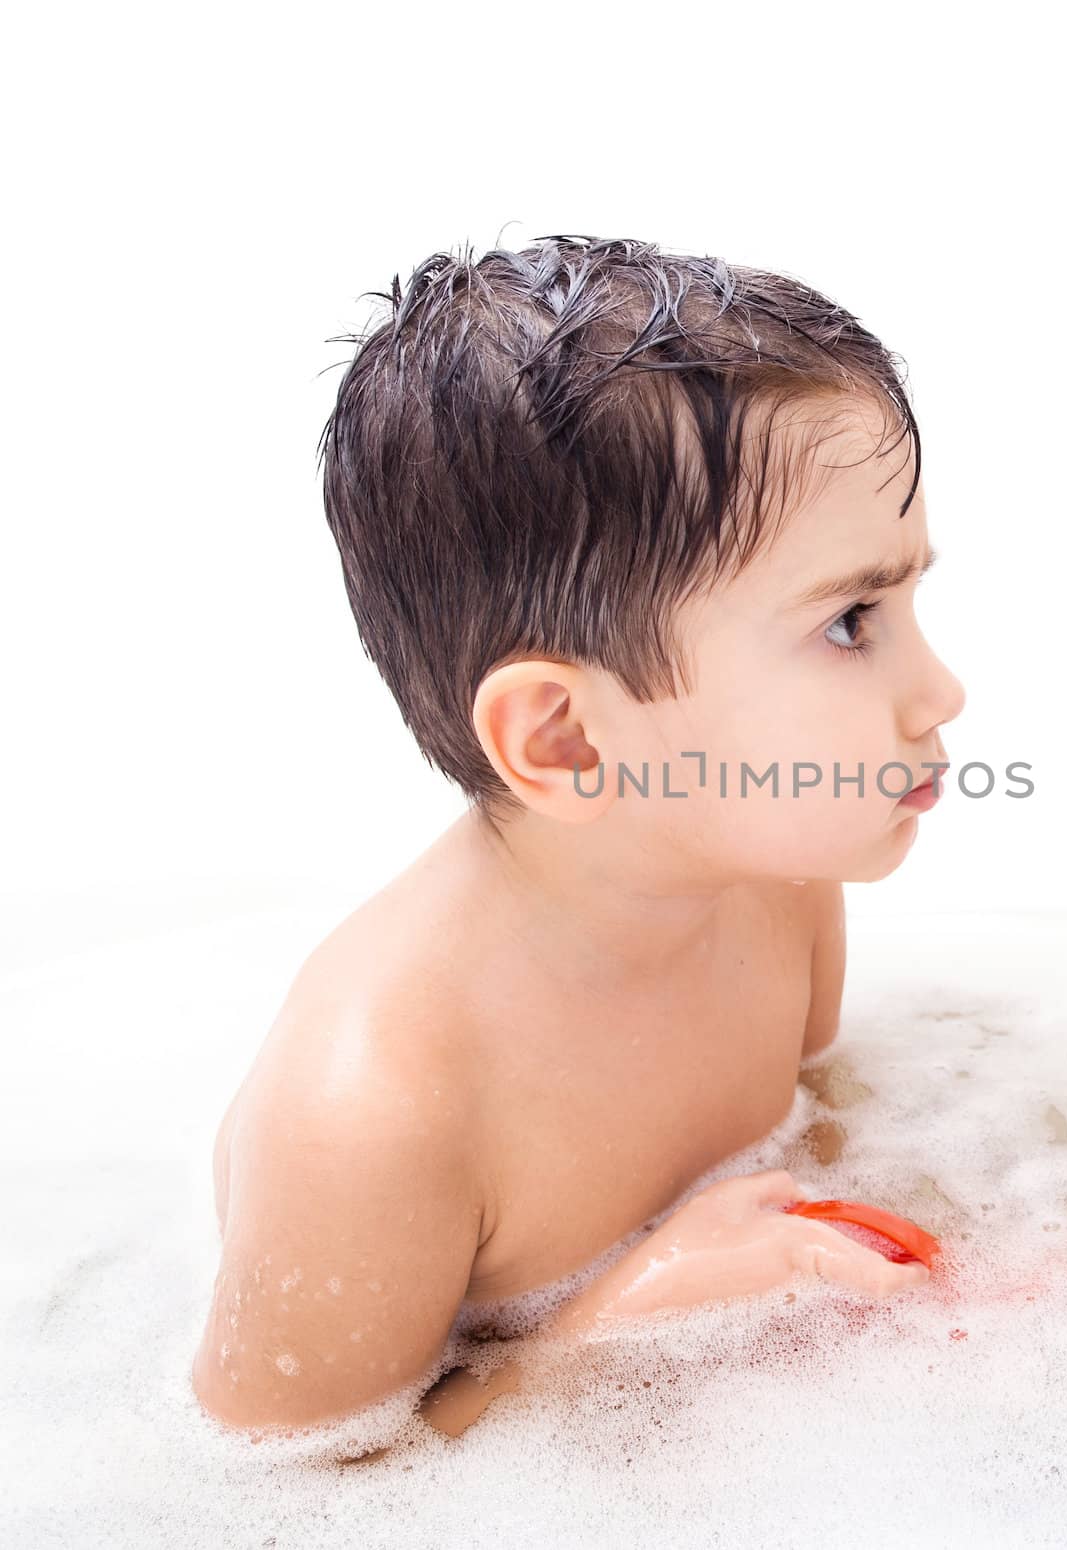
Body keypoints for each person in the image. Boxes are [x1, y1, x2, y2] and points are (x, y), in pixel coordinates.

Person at [190, 234, 966, 1435]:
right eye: (853, 621)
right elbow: (277, 1490)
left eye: (909, 600)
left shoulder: (773, 881)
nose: (943, 691)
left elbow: (822, 1116)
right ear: (564, 736)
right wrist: (614, 1326)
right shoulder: (375, 1113)